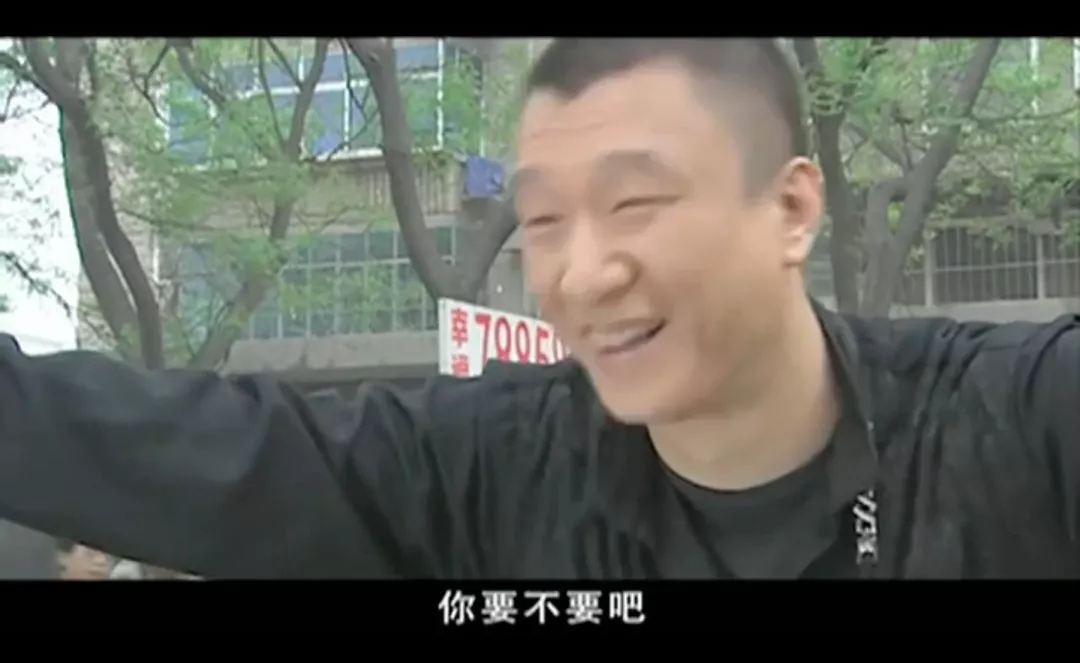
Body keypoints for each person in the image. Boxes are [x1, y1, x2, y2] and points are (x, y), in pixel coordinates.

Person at [0, 37, 1078, 579]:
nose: (583, 273)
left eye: (636, 203)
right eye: (546, 220)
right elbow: (222, 453)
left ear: (792, 207)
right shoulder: (494, 469)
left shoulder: (1022, 426)